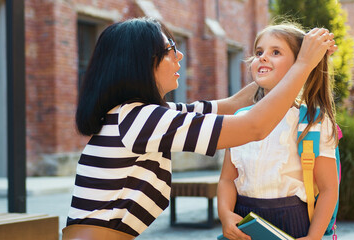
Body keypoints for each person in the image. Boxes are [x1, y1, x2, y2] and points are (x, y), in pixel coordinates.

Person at [62, 17, 335, 240]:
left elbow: (231, 104)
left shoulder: (142, 115)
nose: (180, 54)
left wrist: (296, 63)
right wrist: (301, 64)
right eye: (170, 48)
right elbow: (253, 127)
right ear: (142, 62)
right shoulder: (141, 120)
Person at [217, 23, 339, 240]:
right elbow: (228, 179)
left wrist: (314, 237)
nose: (263, 57)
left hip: (294, 223)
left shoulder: (313, 121)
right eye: (258, 52)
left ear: (300, 64)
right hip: (246, 221)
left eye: (275, 52)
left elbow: (329, 189)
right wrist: (226, 215)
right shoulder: (238, 119)